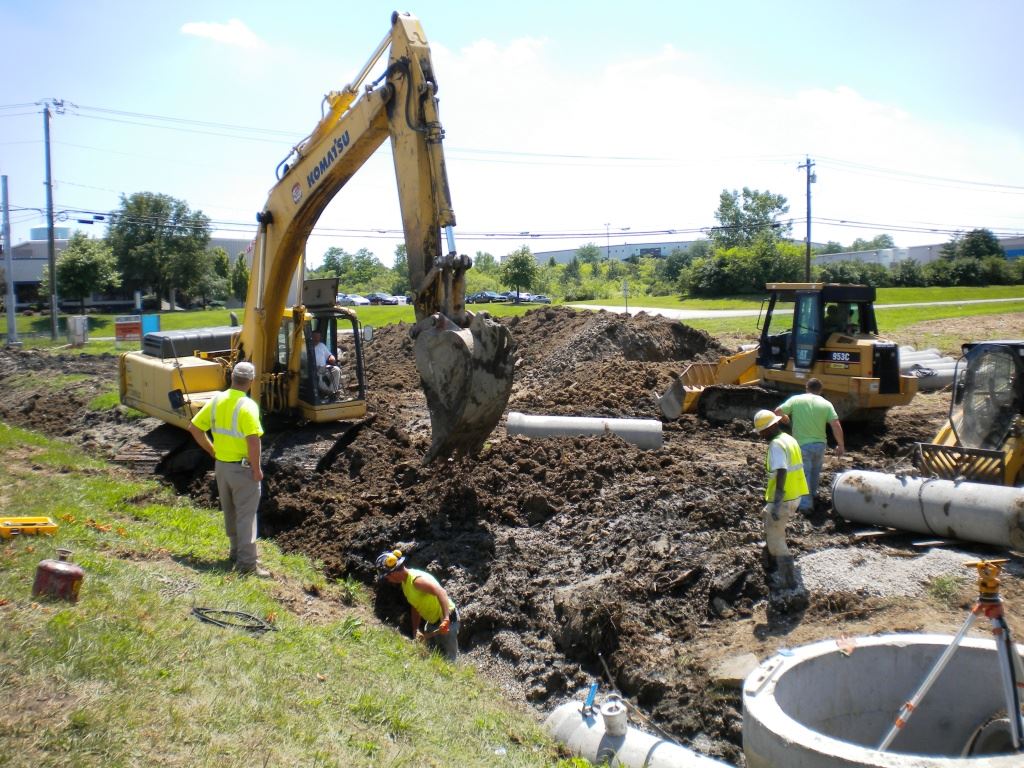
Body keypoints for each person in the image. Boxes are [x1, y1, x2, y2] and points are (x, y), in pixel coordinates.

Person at [187, 361, 269, 578]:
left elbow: (194, 428)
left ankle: (235, 552)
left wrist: (212, 450)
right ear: (251, 381)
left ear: (231, 378)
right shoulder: (247, 406)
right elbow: (253, 441)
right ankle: (247, 564)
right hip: (242, 469)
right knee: (246, 516)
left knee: (230, 511)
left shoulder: (216, 400)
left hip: (221, 467)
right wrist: (257, 468)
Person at [753, 409, 809, 592]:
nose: (760, 436)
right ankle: (770, 561)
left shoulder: (776, 445)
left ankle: (788, 580)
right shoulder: (788, 439)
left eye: (761, 432)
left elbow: (782, 471)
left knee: (776, 538)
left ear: (768, 429)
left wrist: (776, 503)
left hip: (784, 498)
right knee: (769, 521)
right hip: (795, 494)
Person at [774, 378, 845, 513]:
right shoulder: (826, 404)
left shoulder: (796, 400)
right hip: (820, 445)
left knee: (804, 474)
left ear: (806, 388)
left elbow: (777, 412)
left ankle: (806, 505)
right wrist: (840, 445)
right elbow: (836, 425)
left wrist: (785, 418)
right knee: (815, 472)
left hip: (802, 445)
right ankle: (812, 495)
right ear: (820, 390)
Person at [375, 549, 459, 661]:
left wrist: (446, 619)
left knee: (449, 660)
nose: (388, 580)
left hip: (448, 622)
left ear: (394, 572)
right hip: (433, 624)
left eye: (387, 577)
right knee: (433, 657)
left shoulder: (416, 580)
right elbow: (415, 606)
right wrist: (416, 630)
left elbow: (441, 592)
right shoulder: (405, 584)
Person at [311, 329, 341, 398]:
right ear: (311, 337)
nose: (317, 339)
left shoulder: (322, 345)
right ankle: (330, 393)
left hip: (324, 368)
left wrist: (332, 357)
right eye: (315, 337)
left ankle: (332, 391)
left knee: (336, 370)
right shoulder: (308, 347)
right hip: (314, 369)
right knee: (318, 378)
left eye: (318, 337)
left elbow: (329, 355)